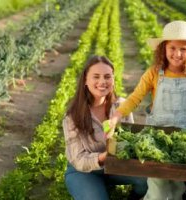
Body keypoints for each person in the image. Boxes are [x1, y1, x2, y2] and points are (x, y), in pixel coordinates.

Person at [109, 20, 186, 200]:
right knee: (158, 189)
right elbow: (135, 97)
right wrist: (116, 116)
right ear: (164, 49)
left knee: (177, 188)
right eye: (172, 48)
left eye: (183, 49)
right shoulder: (154, 73)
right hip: (155, 140)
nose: (177, 54)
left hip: (182, 140)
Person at [63, 55, 148, 200]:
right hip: (84, 171)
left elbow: (130, 142)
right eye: (96, 76)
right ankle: (93, 187)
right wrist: (103, 158)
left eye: (107, 76)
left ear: (113, 80)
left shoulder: (122, 106)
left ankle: (134, 197)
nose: (102, 82)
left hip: (116, 167)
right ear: (85, 80)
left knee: (149, 180)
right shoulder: (73, 115)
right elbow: (78, 159)